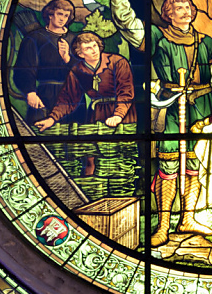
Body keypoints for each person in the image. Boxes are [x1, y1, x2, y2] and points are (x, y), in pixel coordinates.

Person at [151, 0, 212, 247]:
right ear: (168, 14)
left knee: (195, 162)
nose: (185, 12)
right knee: (168, 166)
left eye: (188, 8)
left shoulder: (205, 42)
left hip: (202, 106)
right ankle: (162, 226)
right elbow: (131, 29)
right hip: (172, 107)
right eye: (178, 8)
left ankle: (187, 219)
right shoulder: (158, 39)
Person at [34, 31, 138, 200]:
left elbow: (125, 92)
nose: (94, 50)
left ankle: (119, 197)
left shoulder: (118, 62)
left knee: (120, 159)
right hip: (97, 114)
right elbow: (68, 98)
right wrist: (52, 119)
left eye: (95, 46)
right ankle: (93, 198)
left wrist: (118, 116)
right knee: (91, 156)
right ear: (80, 53)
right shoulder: (77, 70)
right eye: (88, 48)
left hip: (122, 114)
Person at [13, 0, 76, 124]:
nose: (62, 19)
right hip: (44, 96)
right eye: (59, 14)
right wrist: (30, 92)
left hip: (73, 97)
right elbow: (24, 67)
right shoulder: (34, 38)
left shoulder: (75, 39)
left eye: (66, 15)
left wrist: (68, 59)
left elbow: (85, 69)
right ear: (50, 14)